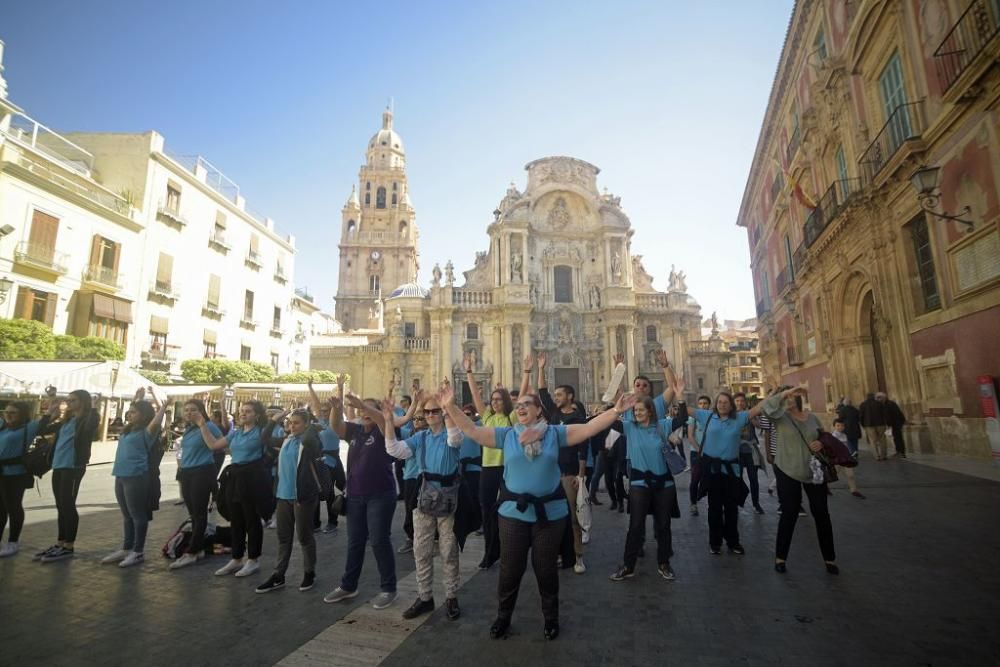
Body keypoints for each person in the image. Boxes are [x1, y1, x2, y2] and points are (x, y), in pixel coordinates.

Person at [442, 387, 636, 641]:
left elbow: (589, 428)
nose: (520, 407)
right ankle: (503, 617)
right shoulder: (507, 435)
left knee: (545, 569)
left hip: (549, 515)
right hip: (513, 514)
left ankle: (551, 618)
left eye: (526, 404)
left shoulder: (555, 434)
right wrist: (450, 406)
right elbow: (473, 431)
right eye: (518, 405)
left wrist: (616, 411)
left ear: (538, 410)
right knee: (510, 569)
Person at [323, 390, 422, 610]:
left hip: (381, 495)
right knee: (355, 542)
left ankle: (389, 588)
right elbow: (337, 427)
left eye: (368, 408)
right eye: (360, 409)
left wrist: (366, 406)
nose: (362, 412)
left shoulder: (384, 428)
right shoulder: (355, 431)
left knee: (379, 540)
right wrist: (336, 410)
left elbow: (380, 419)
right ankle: (348, 585)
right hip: (356, 495)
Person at [384, 390, 464, 620]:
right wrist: (389, 420)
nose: (429, 415)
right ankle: (425, 597)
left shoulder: (452, 434)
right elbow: (394, 450)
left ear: (442, 412)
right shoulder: (421, 437)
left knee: (448, 550)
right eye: (426, 411)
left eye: (434, 411)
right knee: (421, 550)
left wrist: (447, 408)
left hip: (448, 499)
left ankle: (451, 596)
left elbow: (455, 439)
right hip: (425, 497)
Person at [677, 378, 768, 555]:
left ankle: (733, 542)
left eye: (726, 402)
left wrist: (779, 395)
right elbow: (684, 410)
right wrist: (679, 393)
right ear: (716, 404)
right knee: (714, 508)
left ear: (732, 405)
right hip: (713, 470)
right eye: (719, 402)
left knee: (732, 508)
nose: (722, 405)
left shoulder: (739, 418)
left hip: (732, 470)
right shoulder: (707, 416)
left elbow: (759, 408)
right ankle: (715, 542)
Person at [760, 386, 839, 575]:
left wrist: (821, 443)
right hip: (787, 470)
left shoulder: (812, 418)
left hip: (814, 472)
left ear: (798, 400)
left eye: (792, 397)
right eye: (786, 397)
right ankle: (780, 557)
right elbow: (766, 407)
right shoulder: (779, 418)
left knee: (822, 514)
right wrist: (783, 393)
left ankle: (830, 559)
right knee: (789, 513)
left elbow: (824, 437)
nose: (789, 400)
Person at [198, 400, 274, 578]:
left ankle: (253, 559)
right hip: (235, 477)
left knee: (251, 519)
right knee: (236, 519)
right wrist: (202, 425)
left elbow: (271, 440)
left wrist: (274, 421)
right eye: (241, 411)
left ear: (257, 415)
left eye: (248, 411)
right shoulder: (236, 433)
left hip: (252, 477)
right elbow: (214, 445)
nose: (243, 414)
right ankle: (237, 557)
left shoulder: (261, 432)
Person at [463, 354, 525, 570]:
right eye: (493, 399)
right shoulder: (487, 417)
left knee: (510, 509)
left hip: (508, 468)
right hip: (488, 468)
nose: (495, 402)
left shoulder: (512, 417)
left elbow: (524, 395)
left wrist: (526, 374)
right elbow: (474, 394)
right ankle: (490, 552)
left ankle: (513, 548)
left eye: (499, 399)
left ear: (506, 401)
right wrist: (469, 371)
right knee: (486, 508)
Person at [610, 394, 680, 582]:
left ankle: (664, 563)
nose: (637, 413)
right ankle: (628, 565)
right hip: (639, 483)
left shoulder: (662, 426)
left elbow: (680, 418)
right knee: (635, 525)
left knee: (664, 525)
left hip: (664, 484)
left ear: (650, 411)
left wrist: (679, 398)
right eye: (635, 410)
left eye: (641, 409)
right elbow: (611, 422)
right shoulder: (629, 428)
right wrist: (619, 407)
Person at [255, 409, 325, 593]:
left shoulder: (309, 442)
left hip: (302, 498)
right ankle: (279, 575)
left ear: (306, 424)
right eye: (290, 422)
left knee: (304, 536)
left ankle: (310, 572)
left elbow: (311, 436)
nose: (292, 426)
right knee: (284, 538)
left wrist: (309, 417)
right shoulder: (287, 440)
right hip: (283, 496)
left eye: (297, 423)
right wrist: (273, 420)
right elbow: (264, 439)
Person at [101, 388, 167, 568]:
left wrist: (163, 405)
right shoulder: (129, 429)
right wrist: (136, 399)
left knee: (137, 514)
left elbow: (159, 418)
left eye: (134, 412)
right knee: (126, 515)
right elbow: (131, 412)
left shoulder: (148, 431)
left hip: (137, 475)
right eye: (129, 412)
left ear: (144, 415)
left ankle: (138, 551)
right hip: (120, 475)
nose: (129, 414)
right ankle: (126, 548)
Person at [535, 352, 589, 574]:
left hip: (568, 473)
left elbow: (583, 448)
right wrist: (540, 368)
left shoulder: (578, 419)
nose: (555, 397)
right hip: (551, 472)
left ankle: (578, 556)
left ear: (570, 396)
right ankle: (558, 553)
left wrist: (581, 474)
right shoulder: (554, 414)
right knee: (551, 516)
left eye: (559, 394)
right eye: (555, 394)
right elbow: (541, 392)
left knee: (573, 517)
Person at [34, 390, 100, 563]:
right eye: (68, 400)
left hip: (73, 467)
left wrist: (93, 407)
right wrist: (50, 411)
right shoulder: (66, 421)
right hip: (59, 466)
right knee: (60, 505)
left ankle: (68, 546)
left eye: (73, 400)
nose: (69, 403)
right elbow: (40, 429)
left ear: (83, 402)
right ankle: (60, 543)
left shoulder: (85, 420)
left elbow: (92, 424)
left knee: (68, 505)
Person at [170, 398, 223, 569]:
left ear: (201, 411)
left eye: (193, 409)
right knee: (193, 512)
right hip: (187, 472)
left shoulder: (208, 426)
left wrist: (203, 426)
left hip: (202, 471)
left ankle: (192, 552)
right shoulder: (189, 429)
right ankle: (198, 546)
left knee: (200, 513)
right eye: (186, 410)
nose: (189, 413)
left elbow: (221, 444)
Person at [308, 377, 347, 534]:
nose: (323, 413)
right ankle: (315, 523)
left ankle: (332, 522)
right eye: (322, 411)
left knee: (330, 492)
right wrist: (310, 387)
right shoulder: (319, 422)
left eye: (326, 411)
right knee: (317, 492)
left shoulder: (336, 422)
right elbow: (316, 403)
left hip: (333, 459)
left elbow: (339, 405)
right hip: (320, 460)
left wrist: (340, 388)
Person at [0, 402, 40, 558]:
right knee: (0, 509)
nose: (9, 415)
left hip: (15, 474)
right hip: (1, 473)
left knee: (13, 507)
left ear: (22, 414)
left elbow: (49, 416)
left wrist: (51, 401)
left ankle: (13, 542)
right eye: (6, 412)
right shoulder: (4, 427)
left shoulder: (28, 428)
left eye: (13, 412)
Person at [397, 409, 426, 554]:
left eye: (421, 419)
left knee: (426, 508)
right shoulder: (408, 433)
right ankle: (410, 537)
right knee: (410, 508)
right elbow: (394, 429)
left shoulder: (430, 434)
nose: (417, 421)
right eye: (415, 419)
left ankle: (427, 537)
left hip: (424, 477)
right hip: (410, 477)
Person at [733, 393, 765, 514]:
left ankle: (756, 504)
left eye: (742, 401)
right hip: (737, 452)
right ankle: (736, 502)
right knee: (737, 479)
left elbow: (759, 425)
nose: (740, 403)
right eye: (737, 401)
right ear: (734, 402)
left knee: (753, 479)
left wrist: (751, 417)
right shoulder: (731, 416)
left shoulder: (750, 413)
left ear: (745, 402)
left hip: (750, 451)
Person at [686, 394, 713, 516]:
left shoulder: (713, 417)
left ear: (709, 405)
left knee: (711, 479)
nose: (703, 405)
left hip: (711, 453)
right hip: (696, 453)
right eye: (700, 403)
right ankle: (693, 504)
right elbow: (690, 436)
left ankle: (712, 504)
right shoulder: (694, 417)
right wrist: (700, 451)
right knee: (695, 479)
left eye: (705, 403)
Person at [831, 419, 865, 499]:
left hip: (846, 459)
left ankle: (854, 490)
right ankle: (825, 488)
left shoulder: (844, 435)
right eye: (838, 425)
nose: (840, 427)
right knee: (833, 475)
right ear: (834, 426)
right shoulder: (832, 436)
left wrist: (850, 454)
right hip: (837, 459)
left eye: (842, 425)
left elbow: (846, 447)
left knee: (851, 475)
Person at [859, 392, 888, 460]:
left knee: (873, 440)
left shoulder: (863, 404)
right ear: (874, 397)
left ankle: (876, 456)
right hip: (881, 424)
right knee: (882, 439)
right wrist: (885, 422)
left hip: (869, 425)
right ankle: (883, 455)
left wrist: (863, 424)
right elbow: (884, 414)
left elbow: (861, 416)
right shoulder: (879, 403)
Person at [884, 394, 907, 458]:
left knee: (898, 438)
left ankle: (901, 452)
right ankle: (899, 452)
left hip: (896, 423)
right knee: (897, 438)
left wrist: (889, 424)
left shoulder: (888, 404)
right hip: (897, 423)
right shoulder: (890, 403)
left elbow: (889, 416)